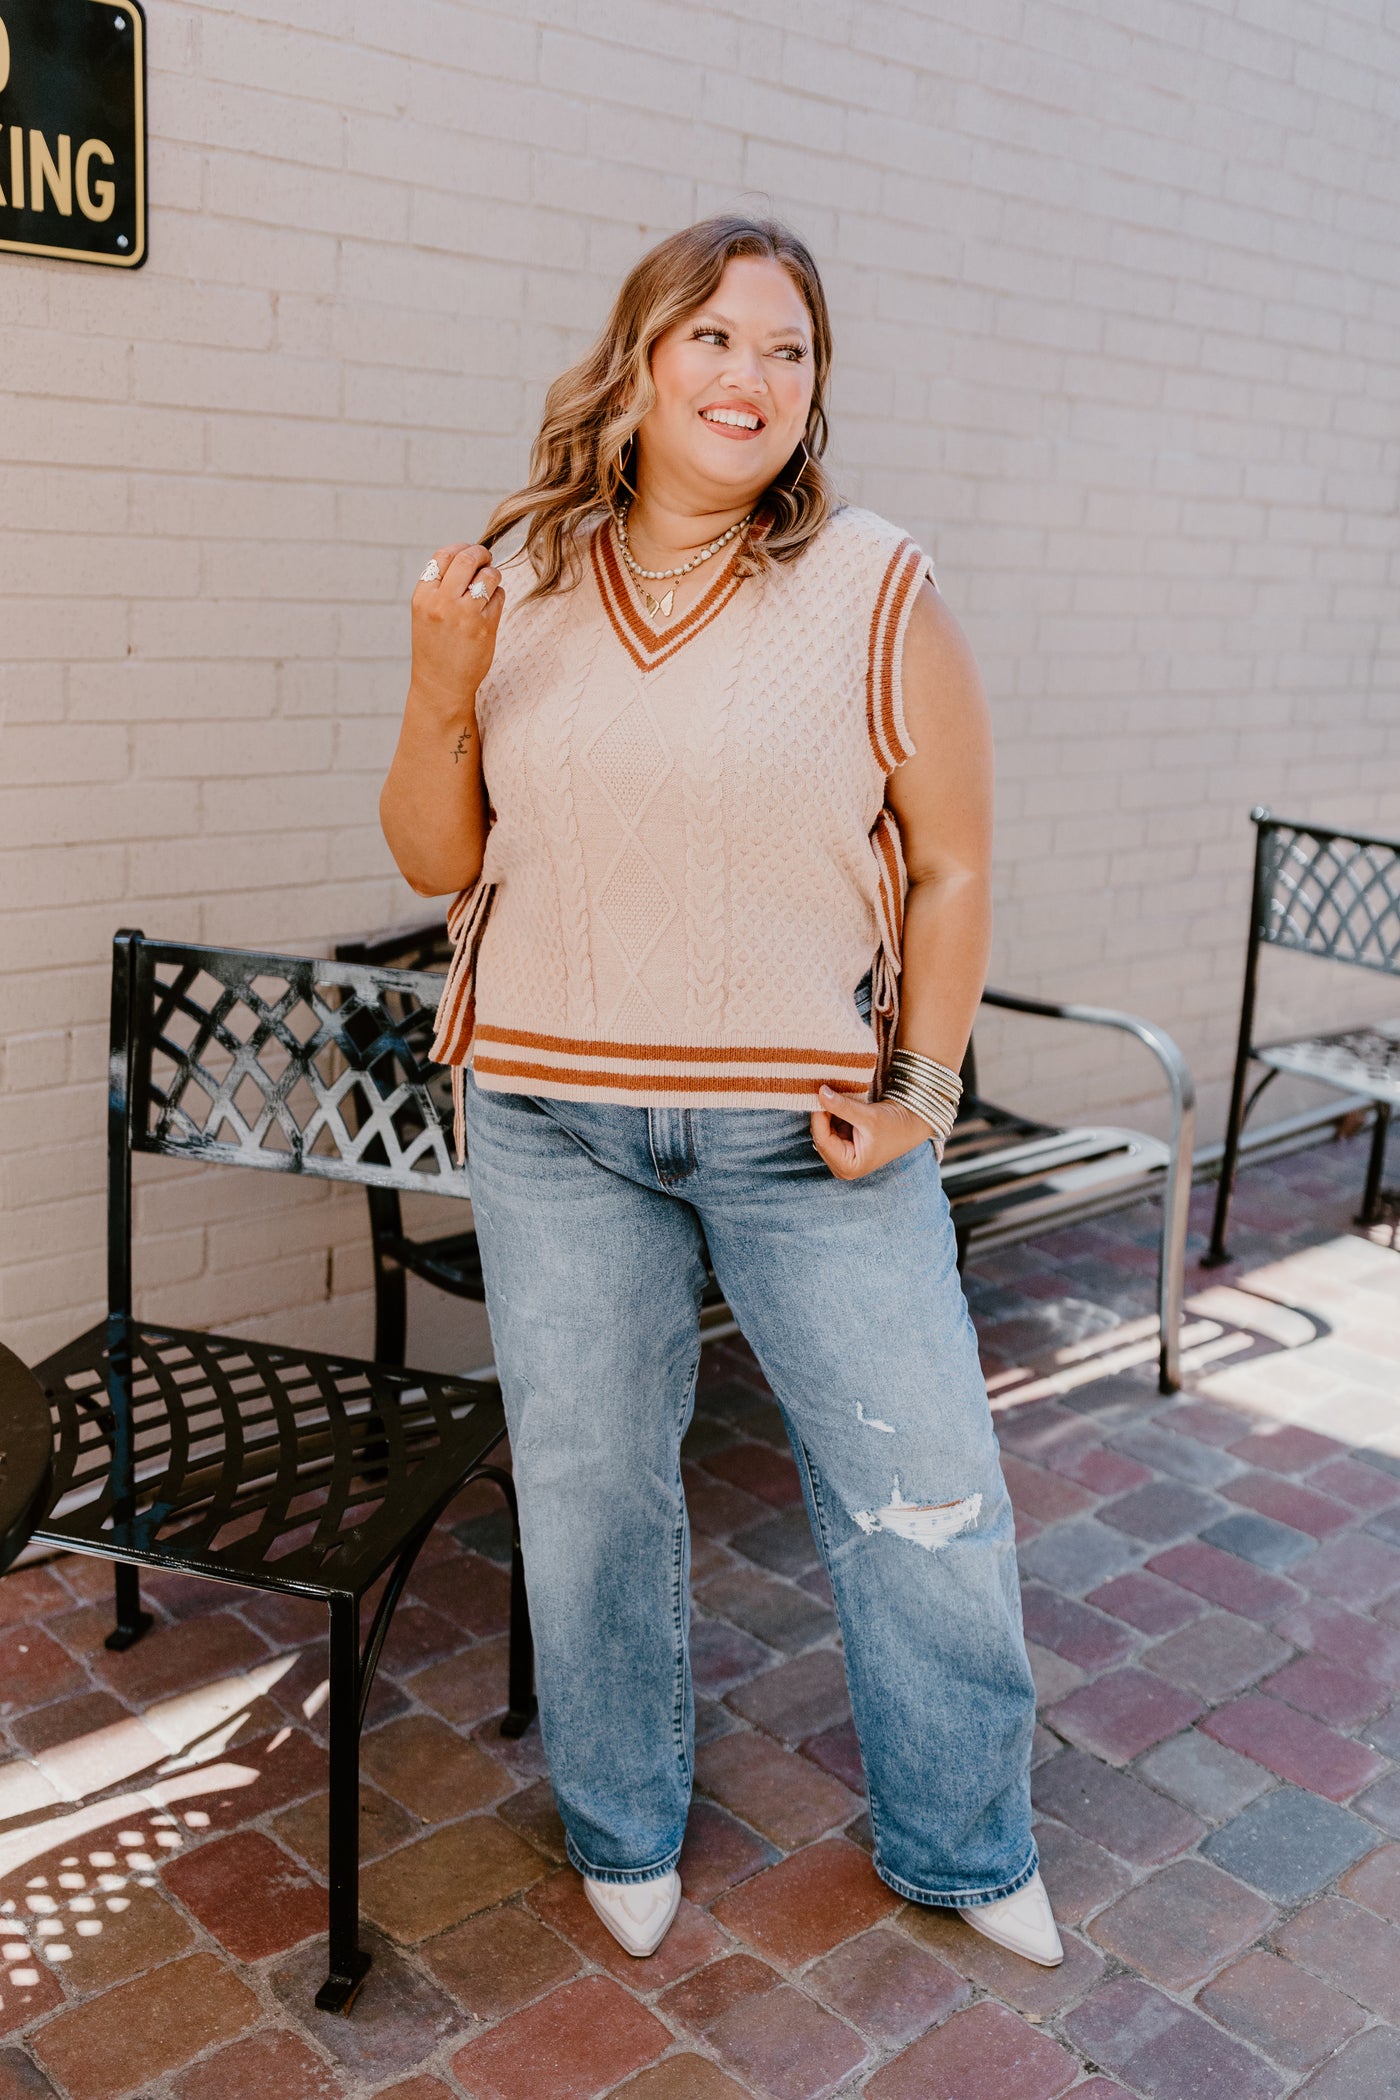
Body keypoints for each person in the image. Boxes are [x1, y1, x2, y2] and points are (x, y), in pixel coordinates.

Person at [379, 216, 1059, 1969]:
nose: (754, 377)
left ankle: (968, 1845)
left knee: (925, 1494)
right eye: (717, 339)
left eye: (791, 349)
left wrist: (922, 1080)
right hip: (549, 1118)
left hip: (802, 1137)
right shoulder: (521, 579)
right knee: (594, 1492)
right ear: (640, 359)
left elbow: (955, 864)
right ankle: (620, 1825)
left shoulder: (872, 581)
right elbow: (439, 853)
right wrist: (438, 691)